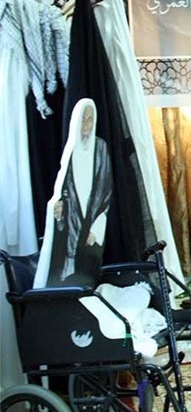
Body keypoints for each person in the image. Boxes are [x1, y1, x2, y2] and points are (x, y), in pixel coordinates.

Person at [49, 100, 112, 286]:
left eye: (89, 119)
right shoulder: (70, 150)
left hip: (92, 226)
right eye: (82, 119)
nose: (86, 124)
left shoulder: (100, 148)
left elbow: (105, 192)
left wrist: (96, 229)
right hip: (71, 225)